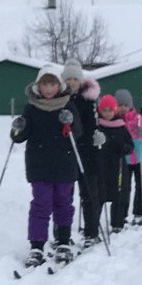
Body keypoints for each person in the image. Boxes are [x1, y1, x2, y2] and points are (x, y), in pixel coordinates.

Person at [10, 66, 81, 267]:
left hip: (64, 164)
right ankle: (37, 245)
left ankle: (63, 241)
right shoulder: (31, 108)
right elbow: (20, 137)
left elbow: (78, 133)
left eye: (52, 84)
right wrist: (17, 129)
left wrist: (71, 122)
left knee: (63, 203)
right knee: (41, 205)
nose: (48, 89)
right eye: (44, 84)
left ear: (59, 86)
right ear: (38, 86)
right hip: (39, 165)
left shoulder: (68, 106)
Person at [62, 58, 100, 237]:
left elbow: (94, 124)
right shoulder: (59, 101)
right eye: (68, 79)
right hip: (65, 154)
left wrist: (97, 136)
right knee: (63, 197)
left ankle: (91, 232)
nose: (71, 83)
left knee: (89, 194)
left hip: (86, 152)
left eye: (75, 79)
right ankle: (62, 235)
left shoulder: (89, 101)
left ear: (80, 81)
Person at [90, 95, 133, 246]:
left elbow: (130, 144)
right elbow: (91, 145)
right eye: (104, 110)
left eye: (110, 110)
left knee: (119, 194)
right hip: (101, 166)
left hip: (118, 166)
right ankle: (94, 225)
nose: (107, 113)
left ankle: (117, 222)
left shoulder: (121, 126)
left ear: (114, 111)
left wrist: (127, 148)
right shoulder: (97, 127)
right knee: (99, 196)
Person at [114, 89, 142, 227]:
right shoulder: (116, 119)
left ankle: (139, 212)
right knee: (124, 186)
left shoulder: (137, 117)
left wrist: (140, 130)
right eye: (120, 105)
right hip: (125, 156)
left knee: (141, 184)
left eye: (125, 105)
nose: (123, 108)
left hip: (140, 155)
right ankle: (122, 213)